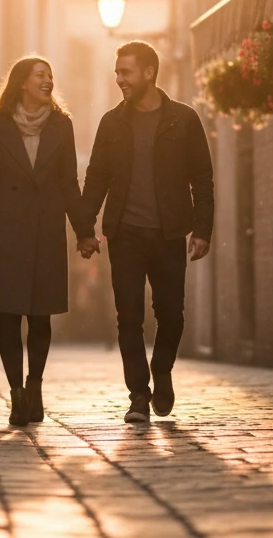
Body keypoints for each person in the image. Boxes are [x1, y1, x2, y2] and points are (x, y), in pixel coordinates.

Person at [79, 41, 214, 424]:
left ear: (149, 73)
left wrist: (201, 229)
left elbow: (202, 180)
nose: (119, 78)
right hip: (125, 234)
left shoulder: (184, 120)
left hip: (170, 232)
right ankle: (138, 394)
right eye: (117, 72)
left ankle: (163, 369)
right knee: (128, 316)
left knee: (172, 315)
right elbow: (96, 178)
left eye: (126, 72)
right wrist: (86, 227)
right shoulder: (111, 122)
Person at [0, 57, 95, 427]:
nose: (48, 81)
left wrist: (84, 230)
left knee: (40, 317)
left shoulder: (61, 125)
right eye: (40, 75)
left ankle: (34, 385)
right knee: (9, 317)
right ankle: (16, 394)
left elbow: (70, 183)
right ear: (21, 82)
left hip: (45, 230)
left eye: (51, 75)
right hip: (4, 230)